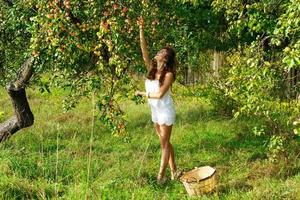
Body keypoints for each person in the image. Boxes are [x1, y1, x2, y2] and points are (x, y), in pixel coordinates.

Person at [135, 17, 181, 184]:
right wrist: (141, 29)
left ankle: (161, 176)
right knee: (165, 142)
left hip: (165, 111)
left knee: (164, 144)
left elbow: (160, 94)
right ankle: (174, 171)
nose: (158, 53)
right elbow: (144, 50)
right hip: (155, 111)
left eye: (161, 52)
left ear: (165, 59)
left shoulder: (168, 75)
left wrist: (142, 94)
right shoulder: (152, 69)